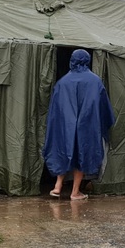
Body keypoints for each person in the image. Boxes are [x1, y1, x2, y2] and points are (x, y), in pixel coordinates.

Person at [43, 49, 115, 201]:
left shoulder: (62, 82)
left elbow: (55, 109)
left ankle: (57, 186)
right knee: (82, 155)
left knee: (64, 151)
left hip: (65, 127)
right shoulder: (95, 81)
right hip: (87, 126)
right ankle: (75, 192)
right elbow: (103, 106)